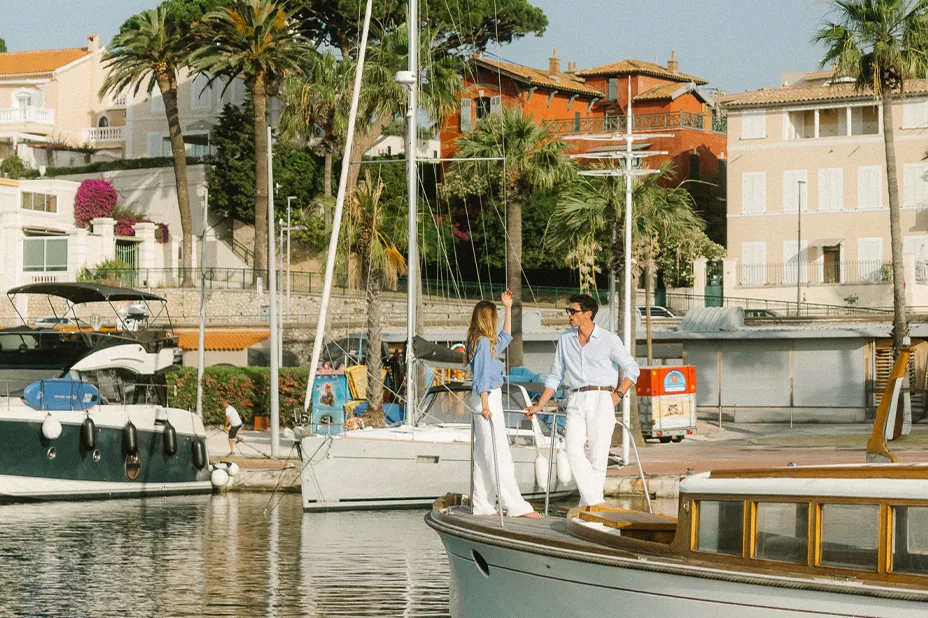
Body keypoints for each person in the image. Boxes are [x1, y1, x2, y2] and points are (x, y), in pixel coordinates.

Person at [524, 293, 639, 508]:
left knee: (598, 455)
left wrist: (619, 395)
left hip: (602, 398)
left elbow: (633, 369)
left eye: (573, 311)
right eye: (568, 311)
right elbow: (555, 375)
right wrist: (540, 404)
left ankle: (588, 506)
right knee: (572, 450)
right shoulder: (565, 340)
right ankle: (596, 502)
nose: (569, 315)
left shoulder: (609, 340)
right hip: (576, 398)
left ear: (588, 314)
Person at [467, 290, 542, 519]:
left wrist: (509, 308)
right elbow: (481, 378)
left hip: (486, 398)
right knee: (498, 454)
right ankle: (515, 506)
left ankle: (482, 505)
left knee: (483, 454)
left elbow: (506, 337)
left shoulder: (485, 343)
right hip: (487, 399)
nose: (498, 319)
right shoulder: (481, 345)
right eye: (497, 315)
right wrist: (486, 405)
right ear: (488, 319)